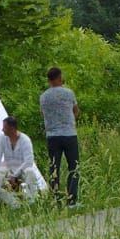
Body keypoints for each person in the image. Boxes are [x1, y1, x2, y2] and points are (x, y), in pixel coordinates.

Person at [39, 68, 80, 205]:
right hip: (69, 134)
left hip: (52, 136)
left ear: (49, 80)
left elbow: (43, 114)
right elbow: (76, 111)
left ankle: (55, 199)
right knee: (73, 166)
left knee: (54, 168)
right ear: (59, 77)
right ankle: (72, 200)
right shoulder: (69, 93)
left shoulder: (43, 96)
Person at [0, 116, 43, 202]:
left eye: (5, 128)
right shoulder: (1, 138)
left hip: (23, 170)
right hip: (9, 170)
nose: (2, 130)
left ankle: (32, 202)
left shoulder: (25, 140)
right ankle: (14, 203)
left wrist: (15, 175)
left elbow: (29, 162)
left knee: (30, 172)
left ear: (12, 128)